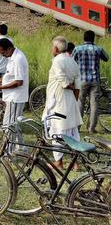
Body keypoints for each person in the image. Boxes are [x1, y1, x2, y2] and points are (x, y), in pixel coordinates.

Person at [42, 36, 82, 169]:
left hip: (58, 101)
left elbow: (64, 83)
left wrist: (69, 87)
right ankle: (75, 162)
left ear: (55, 48)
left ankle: (58, 162)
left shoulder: (57, 62)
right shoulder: (73, 62)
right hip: (70, 101)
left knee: (57, 132)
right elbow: (77, 86)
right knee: (72, 132)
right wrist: (74, 101)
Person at [0, 38, 29, 151]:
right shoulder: (12, 56)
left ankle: (9, 151)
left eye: (3, 53)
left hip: (15, 97)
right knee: (12, 124)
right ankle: (21, 148)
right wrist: (2, 79)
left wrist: (1, 87)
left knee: (9, 125)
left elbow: (19, 81)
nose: (3, 55)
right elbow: (11, 73)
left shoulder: (18, 59)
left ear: (9, 48)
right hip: (12, 96)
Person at [72, 30, 109, 133]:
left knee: (80, 103)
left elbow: (71, 61)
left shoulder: (77, 49)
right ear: (94, 38)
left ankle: (77, 128)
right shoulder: (98, 49)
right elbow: (107, 58)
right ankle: (91, 128)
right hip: (94, 80)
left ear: (84, 38)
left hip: (82, 80)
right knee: (94, 104)